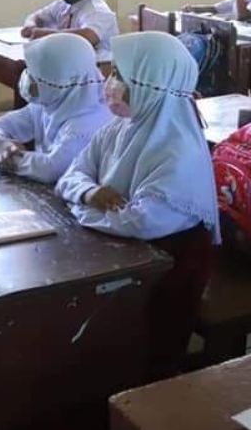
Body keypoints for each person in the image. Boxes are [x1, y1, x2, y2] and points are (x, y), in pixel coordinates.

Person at [56, 32, 220, 377]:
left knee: (138, 355)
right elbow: (71, 175)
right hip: (124, 250)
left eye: (119, 74)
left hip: (169, 266)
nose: (108, 82)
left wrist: (81, 203)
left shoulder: (178, 149)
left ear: (151, 83)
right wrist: (89, 194)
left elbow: (142, 222)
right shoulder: (120, 127)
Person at [0, 33, 112, 185]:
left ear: (55, 83)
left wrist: (10, 159)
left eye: (33, 74)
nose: (26, 78)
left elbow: (52, 169)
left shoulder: (90, 119)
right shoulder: (47, 104)